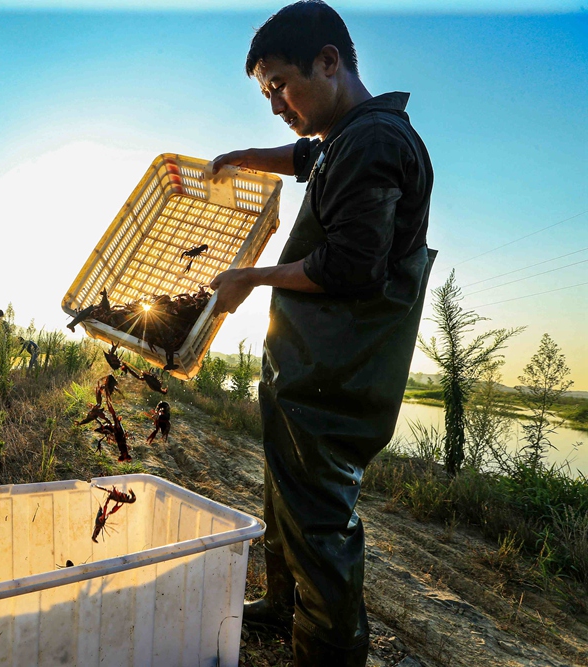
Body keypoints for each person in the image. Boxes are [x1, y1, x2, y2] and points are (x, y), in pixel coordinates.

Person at [207, 3, 435, 665]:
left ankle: (330, 648)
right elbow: (311, 156)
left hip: (341, 375)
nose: (275, 104)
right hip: (308, 365)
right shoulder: (352, 134)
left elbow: (350, 266)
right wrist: (246, 155)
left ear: (329, 60)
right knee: (284, 494)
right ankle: (284, 607)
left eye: (280, 85)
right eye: (265, 94)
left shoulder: (377, 142)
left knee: (319, 520)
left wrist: (250, 277)